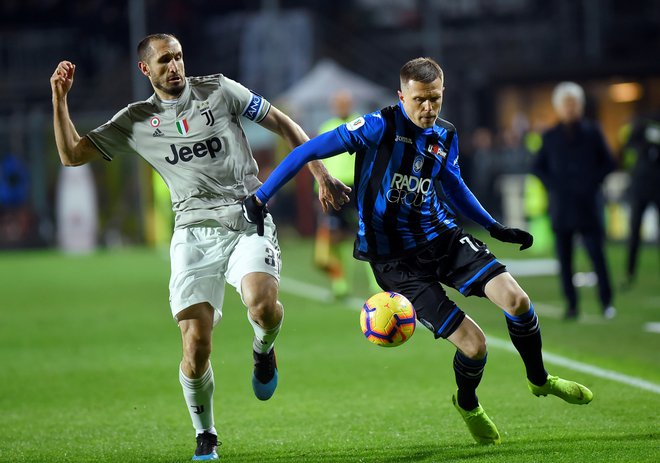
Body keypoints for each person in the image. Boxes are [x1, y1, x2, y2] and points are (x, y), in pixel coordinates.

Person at [243, 57, 593, 446]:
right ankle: (468, 403)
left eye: (436, 99)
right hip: (395, 263)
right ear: (401, 96)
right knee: (475, 347)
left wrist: (493, 226)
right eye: (420, 100)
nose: (428, 109)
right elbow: (306, 151)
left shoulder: (445, 134)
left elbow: (453, 182)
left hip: (441, 237)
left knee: (517, 300)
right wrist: (262, 195)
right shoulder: (378, 126)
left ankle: (539, 379)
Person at [50, 33, 349, 461]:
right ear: (146, 70)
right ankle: (205, 434)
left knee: (262, 304)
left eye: (178, 57)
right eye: (165, 61)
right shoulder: (136, 120)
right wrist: (60, 100)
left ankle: (263, 352)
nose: (174, 66)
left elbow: (284, 123)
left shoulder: (219, 89)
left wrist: (320, 174)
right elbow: (72, 155)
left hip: (246, 216)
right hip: (192, 233)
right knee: (196, 344)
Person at [532, 82, 617, 320]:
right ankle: (571, 304)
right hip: (562, 207)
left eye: (574, 103)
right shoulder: (549, 137)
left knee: (597, 256)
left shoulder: (593, 132)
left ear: (580, 106)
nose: (570, 108)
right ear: (558, 108)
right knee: (565, 260)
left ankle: (606, 301)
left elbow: (609, 162)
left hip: (588, 205)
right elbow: (537, 167)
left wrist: (593, 181)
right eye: (566, 104)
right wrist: (553, 186)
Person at [313, 90, 378, 299]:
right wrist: (319, 190)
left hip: (358, 188)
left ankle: (375, 282)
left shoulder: (362, 125)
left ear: (351, 104)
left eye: (345, 103)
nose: (342, 107)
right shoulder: (326, 127)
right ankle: (340, 284)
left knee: (368, 233)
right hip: (333, 191)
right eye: (338, 103)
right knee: (335, 239)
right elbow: (319, 162)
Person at [620, 109, 660, 288]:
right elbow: (629, 144)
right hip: (641, 185)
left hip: (657, 185)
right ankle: (630, 272)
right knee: (634, 230)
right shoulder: (644, 122)